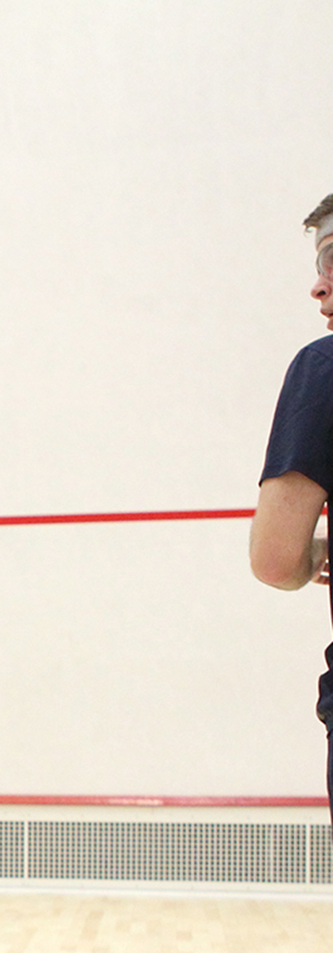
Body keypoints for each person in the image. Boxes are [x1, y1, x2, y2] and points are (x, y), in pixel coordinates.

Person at [251, 192, 333, 820]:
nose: (316, 287)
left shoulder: (324, 368)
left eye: (331, 260)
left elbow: (276, 559)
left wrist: (311, 555)